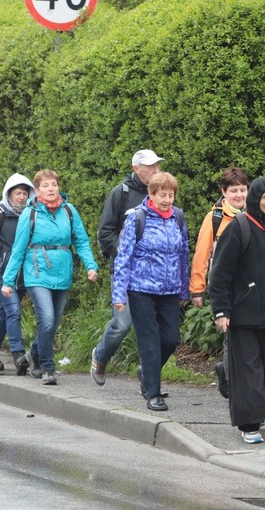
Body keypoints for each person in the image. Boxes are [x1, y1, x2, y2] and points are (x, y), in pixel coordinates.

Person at [209, 176, 265, 444]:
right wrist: (221, 310)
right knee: (249, 371)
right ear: (255, 199)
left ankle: (242, 393)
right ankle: (249, 424)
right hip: (244, 315)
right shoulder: (239, 228)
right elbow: (220, 274)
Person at [2, 169, 99, 385]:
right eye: (46, 186)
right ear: (37, 191)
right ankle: (47, 368)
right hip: (37, 272)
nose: (51, 189)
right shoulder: (31, 213)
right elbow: (18, 249)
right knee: (45, 319)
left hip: (62, 272)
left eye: (54, 184)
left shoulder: (69, 210)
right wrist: (8, 281)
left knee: (53, 323)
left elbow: (81, 240)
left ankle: (31, 355)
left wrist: (90, 265)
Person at [111, 172, 189, 411]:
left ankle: (147, 371)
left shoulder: (178, 217)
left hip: (169, 290)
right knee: (150, 342)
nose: (167, 199)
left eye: (170, 195)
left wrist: (184, 289)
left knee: (170, 339)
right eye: (162, 195)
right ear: (151, 194)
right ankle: (153, 393)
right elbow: (123, 257)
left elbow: (183, 253)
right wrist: (119, 294)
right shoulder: (137, 218)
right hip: (140, 289)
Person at [90, 149, 161, 386]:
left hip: (151, 272)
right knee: (122, 324)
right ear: (136, 168)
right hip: (124, 271)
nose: (155, 170)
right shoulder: (120, 193)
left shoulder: (160, 195)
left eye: (157, 165)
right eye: (150, 166)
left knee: (151, 326)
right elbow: (105, 232)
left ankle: (148, 376)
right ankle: (100, 356)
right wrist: (125, 250)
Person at [189, 166, 249, 398]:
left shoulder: (254, 214)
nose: (239, 195)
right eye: (234, 190)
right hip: (225, 286)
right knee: (231, 333)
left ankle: (227, 370)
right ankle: (234, 382)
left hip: (251, 286)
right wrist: (197, 289)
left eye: (243, 190)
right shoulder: (214, 218)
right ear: (224, 192)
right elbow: (202, 254)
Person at [0, 173, 35, 374]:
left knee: (5, 312)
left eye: (24, 193)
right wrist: (1, 262)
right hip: (0, 274)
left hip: (22, 275)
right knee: (13, 311)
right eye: (17, 193)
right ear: (9, 194)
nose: (21, 197)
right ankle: (18, 355)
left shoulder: (31, 215)